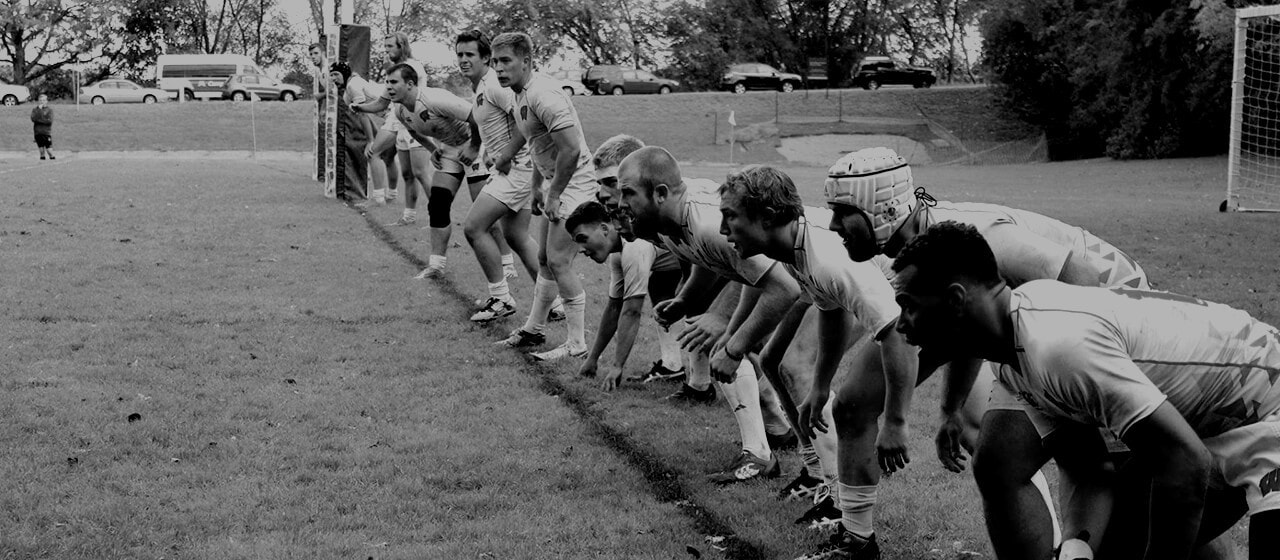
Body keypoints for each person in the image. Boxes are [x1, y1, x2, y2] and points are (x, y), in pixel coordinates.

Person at [892, 221, 1280, 560]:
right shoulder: (1017, 351)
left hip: (1271, 409)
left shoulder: (1057, 347)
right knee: (1114, 542)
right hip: (1214, 423)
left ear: (956, 300)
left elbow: (1185, 464)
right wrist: (1077, 548)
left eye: (908, 306)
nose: (901, 325)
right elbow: (1086, 466)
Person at [718, 165, 986, 559]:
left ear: (768, 217)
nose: (723, 229)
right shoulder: (795, 250)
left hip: (956, 311)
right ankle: (856, 538)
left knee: (984, 437)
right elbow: (832, 311)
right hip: (932, 310)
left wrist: (896, 421)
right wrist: (820, 385)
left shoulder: (825, 256)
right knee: (851, 407)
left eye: (730, 217)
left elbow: (894, 331)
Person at [617, 146, 801, 483]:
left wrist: (724, 323)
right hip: (796, 282)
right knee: (765, 361)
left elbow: (779, 282)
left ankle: (806, 474)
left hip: (814, 280)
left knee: (797, 373)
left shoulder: (706, 222)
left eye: (627, 192)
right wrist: (685, 300)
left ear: (660, 194)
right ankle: (777, 438)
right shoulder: (668, 225)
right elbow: (710, 257)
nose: (619, 203)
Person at [488, 32, 598, 361]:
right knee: (545, 259)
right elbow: (538, 144)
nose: (498, 68)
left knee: (560, 260)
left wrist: (556, 194)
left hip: (575, 181)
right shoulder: (518, 94)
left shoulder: (543, 94)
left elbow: (571, 149)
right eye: (495, 62)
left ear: (526, 61)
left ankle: (576, 344)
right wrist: (537, 186)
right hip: (556, 180)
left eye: (505, 61)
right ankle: (534, 329)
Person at [355, 63, 481, 278]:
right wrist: (432, 149)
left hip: (476, 145)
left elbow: (476, 116)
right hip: (449, 150)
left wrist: (475, 147)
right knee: (438, 204)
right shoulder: (399, 109)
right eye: (387, 83)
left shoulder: (434, 99)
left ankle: (507, 265)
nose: (388, 87)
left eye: (394, 82)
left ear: (410, 84)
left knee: (483, 214)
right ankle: (436, 266)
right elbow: (413, 130)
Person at [453, 29, 541, 323]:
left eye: (470, 54)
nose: (463, 60)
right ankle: (553, 302)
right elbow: (490, 124)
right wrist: (482, 147)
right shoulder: (481, 87)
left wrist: (504, 155)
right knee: (517, 236)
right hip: (514, 167)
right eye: (460, 54)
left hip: (516, 169)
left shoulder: (494, 85)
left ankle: (501, 298)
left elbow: (526, 120)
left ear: (485, 58)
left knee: (474, 227)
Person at [355, 33, 432, 225]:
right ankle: (407, 215)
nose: (386, 50)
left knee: (421, 173)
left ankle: (439, 216)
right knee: (406, 173)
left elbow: (416, 96)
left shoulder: (413, 67)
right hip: (398, 119)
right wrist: (359, 107)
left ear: (402, 46)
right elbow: (382, 102)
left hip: (415, 121)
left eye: (390, 46)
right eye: (385, 46)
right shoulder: (393, 72)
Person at [328, 62, 381, 203]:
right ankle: (383, 197)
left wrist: (370, 140)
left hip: (394, 113)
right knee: (381, 155)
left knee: (374, 153)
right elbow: (364, 115)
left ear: (345, 73)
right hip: (387, 116)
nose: (333, 78)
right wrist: (375, 135)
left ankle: (380, 198)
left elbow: (363, 113)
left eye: (336, 74)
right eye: (331, 75)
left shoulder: (353, 85)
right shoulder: (347, 92)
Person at [31, 94, 54, 160]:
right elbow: (33, 119)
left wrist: (39, 120)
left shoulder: (49, 110)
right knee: (41, 152)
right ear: (38, 101)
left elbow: (49, 121)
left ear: (46, 101)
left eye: (44, 100)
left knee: (49, 151)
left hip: (46, 132)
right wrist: (39, 110)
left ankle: (52, 159)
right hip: (38, 132)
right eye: (40, 100)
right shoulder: (35, 110)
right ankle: (42, 162)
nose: (42, 102)